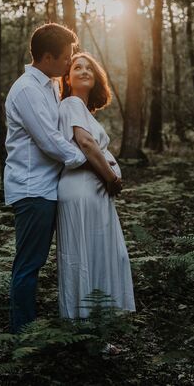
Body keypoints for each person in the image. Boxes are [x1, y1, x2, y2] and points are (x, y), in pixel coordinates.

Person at [4, 24, 122, 334]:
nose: (70, 61)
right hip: (33, 189)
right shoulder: (27, 89)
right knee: (30, 263)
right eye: (67, 56)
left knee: (60, 257)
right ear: (47, 57)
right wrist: (96, 165)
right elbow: (50, 140)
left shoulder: (50, 86)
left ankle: (62, 323)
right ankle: (23, 334)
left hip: (51, 187)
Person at [57, 52, 136, 322]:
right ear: (67, 78)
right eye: (76, 67)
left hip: (92, 191)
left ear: (97, 77)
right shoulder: (70, 103)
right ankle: (84, 330)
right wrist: (111, 179)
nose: (83, 71)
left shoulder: (83, 109)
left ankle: (96, 327)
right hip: (82, 190)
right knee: (84, 257)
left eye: (89, 67)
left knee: (97, 255)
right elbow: (87, 145)